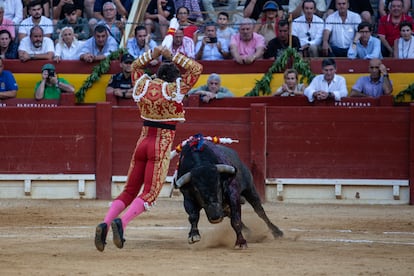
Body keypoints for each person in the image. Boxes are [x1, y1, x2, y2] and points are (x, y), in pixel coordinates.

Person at [94, 45, 203, 252]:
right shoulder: (174, 90)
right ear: (173, 79)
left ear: (157, 74)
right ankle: (122, 223)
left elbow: (135, 66)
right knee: (150, 193)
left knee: (129, 191)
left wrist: (152, 54)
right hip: (160, 145)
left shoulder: (143, 85)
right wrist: (175, 56)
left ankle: (105, 223)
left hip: (142, 142)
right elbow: (196, 69)